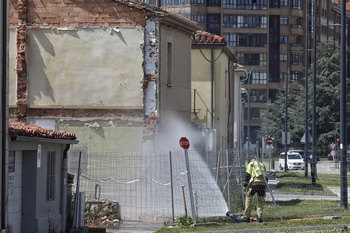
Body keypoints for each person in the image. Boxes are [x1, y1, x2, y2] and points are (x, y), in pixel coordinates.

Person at [239, 156, 268, 223]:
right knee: (260, 200)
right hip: (262, 184)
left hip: (254, 183)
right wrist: (264, 186)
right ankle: (259, 217)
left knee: (249, 198)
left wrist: (245, 185)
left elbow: (248, 175)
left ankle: (246, 216)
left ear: (250, 160)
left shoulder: (251, 164)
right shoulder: (262, 164)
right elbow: (266, 177)